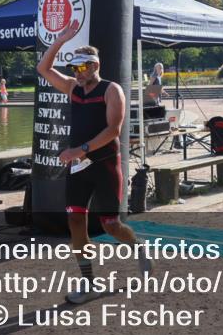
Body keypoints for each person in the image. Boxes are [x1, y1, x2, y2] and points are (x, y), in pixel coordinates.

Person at [36, 19, 149, 304]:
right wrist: (60, 40)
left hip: (105, 165)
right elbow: (43, 69)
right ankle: (88, 283)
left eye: (83, 67)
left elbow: (113, 129)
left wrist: (81, 150)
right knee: (75, 219)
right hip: (79, 167)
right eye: (74, 68)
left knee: (111, 225)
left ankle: (138, 247)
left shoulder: (112, 90)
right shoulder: (74, 89)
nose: (77, 73)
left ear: (95, 66)